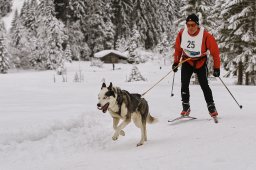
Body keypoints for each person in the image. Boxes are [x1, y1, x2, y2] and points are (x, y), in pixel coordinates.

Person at [172, 13, 220, 118]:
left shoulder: (206, 36)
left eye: (193, 25)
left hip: (200, 62)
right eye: (188, 25)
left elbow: (215, 52)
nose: (190, 27)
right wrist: (176, 62)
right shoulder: (181, 34)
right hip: (187, 61)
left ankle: (211, 106)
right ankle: (186, 107)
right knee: (184, 84)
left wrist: (216, 67)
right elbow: (178, 50)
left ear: (197, 25)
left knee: (204, 85)